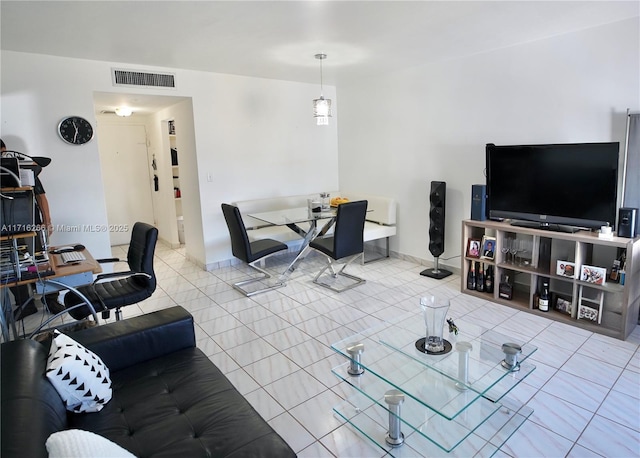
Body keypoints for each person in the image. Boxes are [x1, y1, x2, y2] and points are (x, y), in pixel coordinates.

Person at [1, 139, 59, 319]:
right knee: (9, 266)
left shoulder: (24, 169)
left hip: (31, 224)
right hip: (3, 231)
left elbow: (41, 196)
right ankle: (25, 305)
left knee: (41, 261)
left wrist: (47, 221)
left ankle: (51, 300)